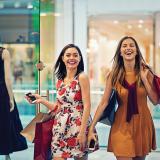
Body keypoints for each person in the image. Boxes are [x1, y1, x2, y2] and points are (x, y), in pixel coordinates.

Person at [88, 36, 159, 160]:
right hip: (121, 125)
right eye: (124, 46)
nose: (128, 48)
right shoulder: (114, 75)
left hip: (142, 123)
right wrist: (91, 127)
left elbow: (155, 100)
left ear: (137, 51)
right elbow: (104, 102)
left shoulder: (146, 72)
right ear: (120, 52)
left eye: (132, 45)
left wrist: (144, 79)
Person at [26, 44, 96, 160]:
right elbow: (59, 107)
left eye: (75, 55)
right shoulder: (59, 80)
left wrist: (83, 132)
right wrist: (41, 100)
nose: (71, 58)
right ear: (63, 58)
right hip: (60, 126)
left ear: (79, 58)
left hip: (78, 126)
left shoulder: (82, 77)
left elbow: (87, 105)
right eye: (68, 55)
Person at [0, 47, 28, 160]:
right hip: (2, 93)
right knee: (6, 121)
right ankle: (7, 153)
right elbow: (7, 78)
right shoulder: (3, 52)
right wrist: (11, 98)